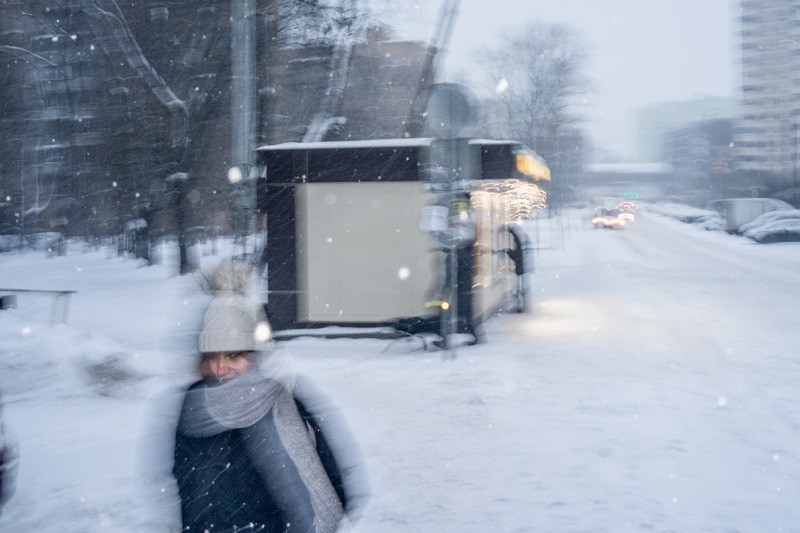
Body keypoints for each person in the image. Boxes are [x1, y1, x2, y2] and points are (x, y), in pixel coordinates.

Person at [173, 261, 369, 532]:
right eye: (212, 356)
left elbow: (337, 480)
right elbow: (186, 494)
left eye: (234, 355)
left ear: (253, 356)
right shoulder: (192, 411)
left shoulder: (286, 402)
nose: (220, 367)